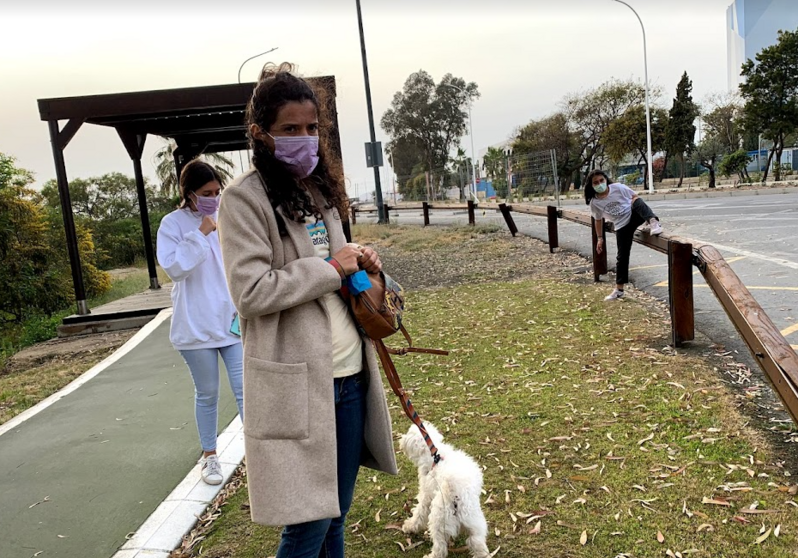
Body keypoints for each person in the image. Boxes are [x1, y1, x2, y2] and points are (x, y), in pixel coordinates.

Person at [217, 63, 397, 558]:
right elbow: (250, 292)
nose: (305, 139)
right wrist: (330, 268)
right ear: (260, 134)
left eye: (312, 128)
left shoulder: (317, 190)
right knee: (309, 524)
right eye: (290, 129)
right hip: (300, 383)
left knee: (335, 514)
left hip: (350, 373)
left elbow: (336, 260)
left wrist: (359, 257)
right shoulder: (242, 200)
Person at [156, 159, 244, 485]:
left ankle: (260, 452)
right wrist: (200, 234)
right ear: (189, 193)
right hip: (195, 326)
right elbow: (175, 268)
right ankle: (210, 457)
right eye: (207, 193)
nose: (214, 198)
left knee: (246, 391)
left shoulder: (226, 217)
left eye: (218, 192)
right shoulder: (172, 224)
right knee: (207, 393)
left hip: (231, 322)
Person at [585, 169, 663, 301]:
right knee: (622, 257)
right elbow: (598, 220)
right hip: (621, 226)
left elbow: (635, 198)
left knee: (638, 201)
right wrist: (600, 238)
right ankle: (619, 290)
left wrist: (644, 214)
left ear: (606, 180)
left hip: (633, 216)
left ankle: (653, 222)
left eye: (601, 180)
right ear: (591, 186)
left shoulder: (618, 188)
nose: (600, 184)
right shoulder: (594, 203)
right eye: (596, 182)